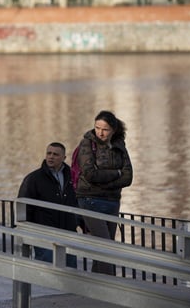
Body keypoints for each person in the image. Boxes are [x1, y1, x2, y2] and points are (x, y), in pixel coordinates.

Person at [74, 110, 133, 275]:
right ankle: (111, 287)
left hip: (112, 201)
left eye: (105, 129)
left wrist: (104, 182)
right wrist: (116, 174)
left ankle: (95, 285)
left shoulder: (120, 145)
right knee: (107, 247)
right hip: (89, 200)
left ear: (113, 130)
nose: (100, 132)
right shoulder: (87, 143)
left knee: (104, 247)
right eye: (97, 127)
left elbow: (128, 177)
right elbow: (90, 174)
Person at [18, 142, 79, 266]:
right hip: (44, 234)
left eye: (55, 154)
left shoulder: (72, 177)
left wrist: (82, 224)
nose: (51, 157)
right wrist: (24, 230)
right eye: (49, 153)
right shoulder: (34, 178)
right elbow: (23, 205)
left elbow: (78, 203)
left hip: (68, 233)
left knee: (70, 272)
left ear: (64, 158)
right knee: (48, 273)